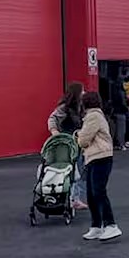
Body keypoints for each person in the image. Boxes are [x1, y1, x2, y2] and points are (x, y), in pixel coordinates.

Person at [76, 91, 121, 242]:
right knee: (91, 193)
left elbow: (83, 141)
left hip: (100, 157)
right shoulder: (95, 115)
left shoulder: (92, 117)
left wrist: (79, 136)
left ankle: (111, 225)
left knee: (98, 192)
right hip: (95, 157)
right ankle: (96, 226)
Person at [48, 82, 88, 210]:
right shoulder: (65, 108)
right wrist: (54, 131)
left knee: (80, 171)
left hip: (79, 144)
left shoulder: (82, 107)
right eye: (82, 91)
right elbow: (52, 118)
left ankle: (76, 198)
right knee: (70, 171)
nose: (84, 93)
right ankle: (69, 198)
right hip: (67, 144)